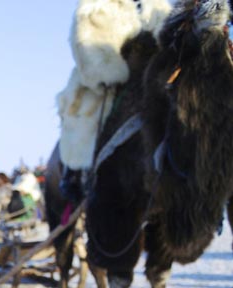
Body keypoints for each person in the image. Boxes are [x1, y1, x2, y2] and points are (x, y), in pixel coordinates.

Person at [56, 0, 170, 204]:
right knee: (88, 115)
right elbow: (86, 48)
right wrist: (115, 72)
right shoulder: (94, 6)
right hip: (109, 83)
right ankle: (75, 174)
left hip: (152, 78)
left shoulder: (159, 6)